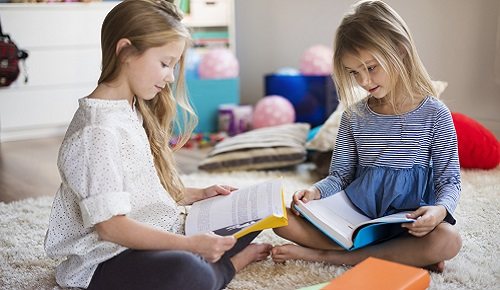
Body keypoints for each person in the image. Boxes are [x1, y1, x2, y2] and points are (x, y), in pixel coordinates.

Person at [44, 1, 271, 289]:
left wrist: (195, 194)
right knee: (188, 271)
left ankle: (212, 260)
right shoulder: (96, 133)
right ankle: (227, 267)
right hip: (107, 260)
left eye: (173, 66)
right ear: (125, 50)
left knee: (253, 213)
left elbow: (138, 192)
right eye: (165, 64)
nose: (171, 77)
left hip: (152, 233)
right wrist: (190, 245)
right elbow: (111, 227)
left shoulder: (129, 108)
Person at [272, 0, 462, 273]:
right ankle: (397, 256)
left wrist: (439, 212)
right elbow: (340, 176)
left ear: (400, 51)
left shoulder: (435, 114)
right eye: (354, 72)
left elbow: (450, 180)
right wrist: (315, 192)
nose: (363, 81)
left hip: (409, 224)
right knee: (280, 220)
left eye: (371, 68)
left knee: (448, 239)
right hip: (356, 220)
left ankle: (330, 257)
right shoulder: (354, 116)